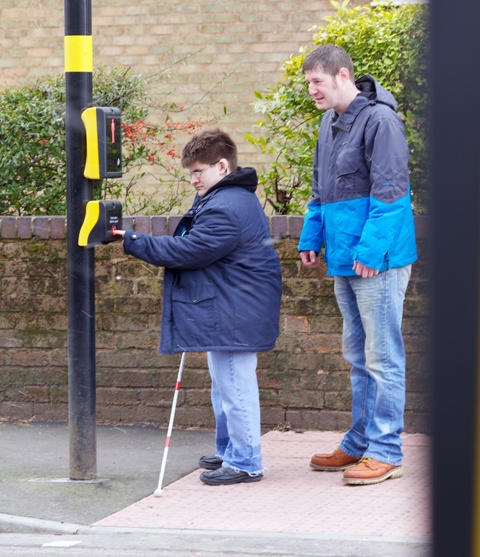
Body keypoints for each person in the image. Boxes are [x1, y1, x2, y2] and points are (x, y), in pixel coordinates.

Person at [113, 128, 282, 486]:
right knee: (223, 387)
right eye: (190, 172)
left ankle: (247, 461)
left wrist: (133, 240)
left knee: (234, 386)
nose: (193, 180)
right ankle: (230, 450)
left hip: (235, 309)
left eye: (198, 171)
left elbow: (189, 251)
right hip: (232, 305)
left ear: (221, 166)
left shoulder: (226, 207)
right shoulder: (228, 198)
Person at [298, 45, 417, 486]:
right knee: (357, 354)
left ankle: (386, 450)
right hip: (345, 259)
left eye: (318, 82)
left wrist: (369, 253)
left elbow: (390, 194)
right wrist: (312, 238)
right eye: (308, 82)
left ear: (342, 76)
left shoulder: (380, 121)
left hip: (376, 261)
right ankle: (360, 442)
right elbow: (319, 190)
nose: (312, 90)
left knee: (382, 356)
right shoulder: (329, 124)